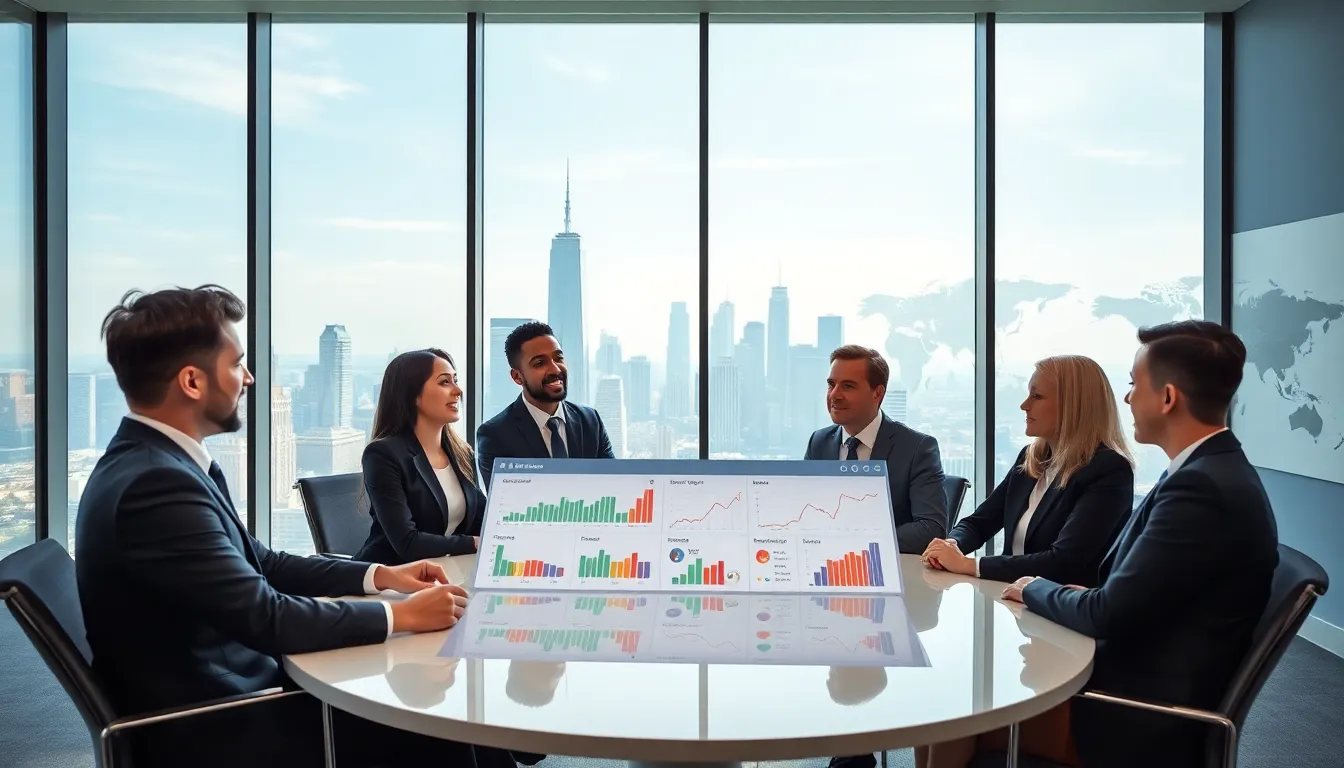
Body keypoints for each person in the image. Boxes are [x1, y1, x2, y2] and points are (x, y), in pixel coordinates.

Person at [73, 286, 480, 768]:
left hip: (240, 693)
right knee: (432, 720)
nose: (247, 378)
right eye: (235, 364)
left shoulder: (158, 464)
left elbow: (261, 562)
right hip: (228, 722)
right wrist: (403, 616)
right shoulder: (157, 486)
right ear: (191, 381)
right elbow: (268, 618)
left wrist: (382, 576)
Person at [922, 321, 1279, 768]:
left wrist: (1035, 587)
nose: (1127, 398)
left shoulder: (1200, 490)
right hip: (1120, 672)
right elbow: (1126, 594)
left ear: (1167, 398)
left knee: (952, 708)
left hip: (1126, 712)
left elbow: (1105, 611)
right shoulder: (1207, 472)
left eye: (1134, 385)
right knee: (954, 700)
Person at [921, 355, 1135, 586]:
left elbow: (1064, 561)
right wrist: (953, 544)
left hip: (1060, 614)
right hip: (1013, 600)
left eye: (1037, 396)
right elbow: (979, 523)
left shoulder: (1109, 471)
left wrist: (969, 565)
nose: (1025, 405)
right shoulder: (1031, 458)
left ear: (1073, 405)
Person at [804, 345, 947, 554]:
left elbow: (931, 528)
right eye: (831, 384)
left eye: (848, 386)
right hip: (825, 564)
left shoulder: (917, 448)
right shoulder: (819, 442)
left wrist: (857, 541)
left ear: (877, 393)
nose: (835, 395)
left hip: (889, 569)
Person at [355, 348, 485, 564]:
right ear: (413, 395)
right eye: (445, 382)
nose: (458, 391)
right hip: (391, 579)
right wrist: (473, 543)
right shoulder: (383, 455)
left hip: (446, 570)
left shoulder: (462, 453)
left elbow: (481, 520)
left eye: (455, 380)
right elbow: (408, 543)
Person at [476, 321, 615, 490]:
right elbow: (508, 507)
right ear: (517, 377)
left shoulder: (590, 421)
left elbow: (611, 488)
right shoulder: (495, 435)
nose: (555, 369)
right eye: (539, 363)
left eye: (558, 358)